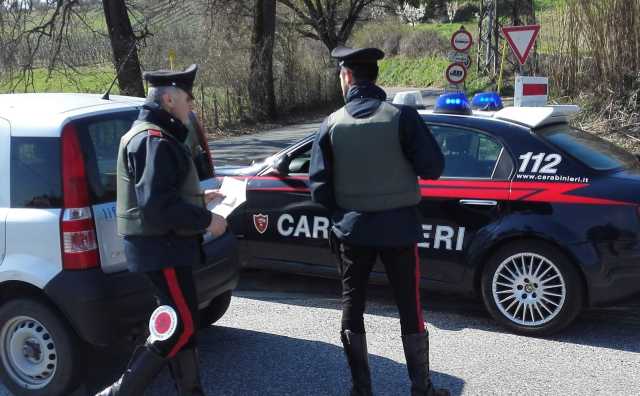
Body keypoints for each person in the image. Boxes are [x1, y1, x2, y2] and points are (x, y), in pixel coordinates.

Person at [309, 46, 449, 396]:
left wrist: (347, 209)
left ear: (347, 77)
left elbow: (319, 190)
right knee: (409, 307)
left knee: (352, 307)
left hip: (353, 233)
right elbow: (433, 167)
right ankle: (422, 389)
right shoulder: (403, 117)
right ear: (375, 77)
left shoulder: (331, 124)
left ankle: (361, 390)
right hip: (399, 230)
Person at [97, 64, 226, 396]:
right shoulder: (153, 140)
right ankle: (119, 392)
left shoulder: (155, 135)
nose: (192, 105)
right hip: (162, 248)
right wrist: (206, 220)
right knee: (179, 325)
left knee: (182, 322)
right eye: (188, 98)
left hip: (165, 247)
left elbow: (162, 195)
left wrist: (197, 198)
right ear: (169, 99)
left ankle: (192, 391)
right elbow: (157, 207)